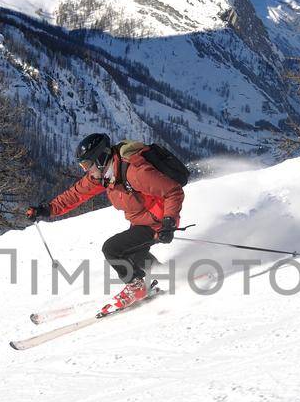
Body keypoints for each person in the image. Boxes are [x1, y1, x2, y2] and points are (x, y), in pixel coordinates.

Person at [25, 132, 184, 312]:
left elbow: (173, 191)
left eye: (87, 164)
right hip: (141, 220)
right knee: (134, 253)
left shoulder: (134, 172)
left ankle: (137, 288)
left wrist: (169, 222)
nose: (85, 169)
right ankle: (169, 276)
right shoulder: (104, 175)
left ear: (100, 158)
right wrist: (47, 209)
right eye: (82, 165)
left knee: (113, 249)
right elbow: (75, 194)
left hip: (159, 221)